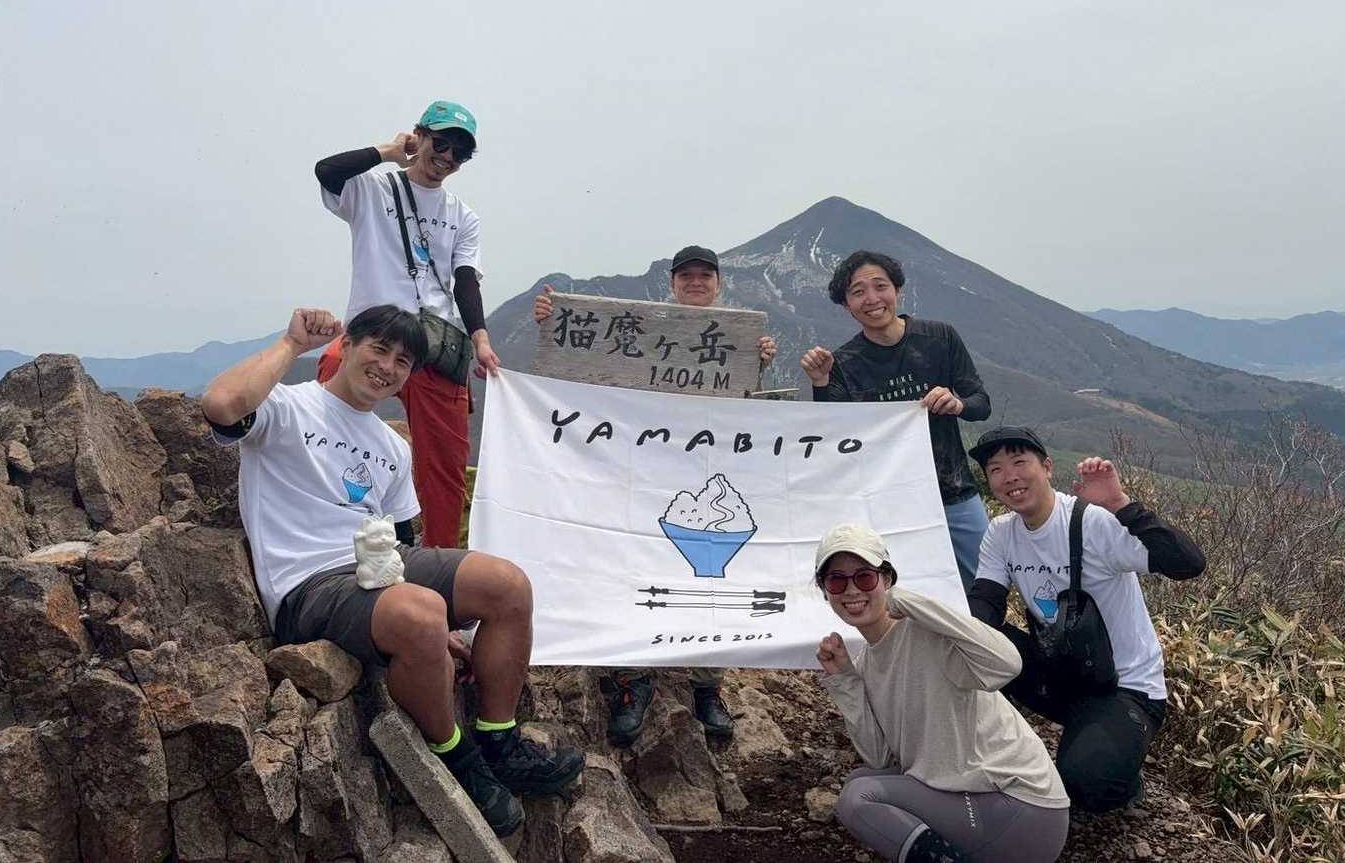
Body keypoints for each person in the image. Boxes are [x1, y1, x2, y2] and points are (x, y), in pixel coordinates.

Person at [200, 305, 583, 837]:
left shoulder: (391, 447)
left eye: (403, 361)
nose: (387, 367)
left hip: (378, 568)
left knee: (507, 585)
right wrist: (292, 344)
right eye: (378, 349)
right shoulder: (285, 408)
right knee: (421, 613)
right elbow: (221, 404)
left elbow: (401, 540)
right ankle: (456, 756)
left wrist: (432, 624)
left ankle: (500, 739)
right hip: (307, 584)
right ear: (347, 347)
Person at [532, 244, 777, 745]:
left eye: (704, 275)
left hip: (707, 475)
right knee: (635, 567)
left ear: (719, 284)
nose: (695, 282)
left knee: (710, 578)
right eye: (686, 276)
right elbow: (585, 376)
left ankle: (707, 685)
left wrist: (760, 363)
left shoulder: (738, 338)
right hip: (639, 472)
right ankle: (633, 679)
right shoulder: (642, 332)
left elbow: (746, 404)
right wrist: (552, 325)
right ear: (671, 284)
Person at [966, 426, 1206, 812]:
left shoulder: (1091, 523)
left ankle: (1115, 760)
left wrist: (1121, 505)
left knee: (1087, 785)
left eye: (1019, 462)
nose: (1009, 476)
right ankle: (988, 746)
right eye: (995, 469)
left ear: (1047, 467)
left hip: (1124, 687)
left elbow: (1188, 564)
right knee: (975, 641)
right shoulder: (1002, 532)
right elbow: (985, 603)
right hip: (1064, 672)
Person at [814, 523, 1069, 863]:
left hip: (1023, 810)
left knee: (859, 798)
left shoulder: (929, 634)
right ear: (825, 591)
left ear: (887, 580)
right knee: (863, 778)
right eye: (836, 580)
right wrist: (846, 680)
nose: (851, 590)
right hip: (979, 803)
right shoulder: (867, 663)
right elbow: (879, 759)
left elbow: (1007, 664)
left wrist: (909, 601)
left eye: (864, 577)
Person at [314, 100, 498, 548]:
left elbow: (465, 280)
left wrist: (480, 339)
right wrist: (388, 152)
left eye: (461, 153)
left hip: (433, 344)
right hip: (371, 334)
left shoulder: (463, 216)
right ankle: (327, 533)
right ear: (420, 135)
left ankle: (440, 561)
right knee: (326, 412)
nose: (448, 157)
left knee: (445, 465)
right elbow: (326, 170)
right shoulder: (372, 189)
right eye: (442, 143)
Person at [800, 250, 991, 589]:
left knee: (984, 585)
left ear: (897, 290)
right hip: (887, 502)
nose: (872, 299)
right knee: (904, 593)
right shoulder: (844, 362)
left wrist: (957, 403)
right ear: (846, 305)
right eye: (858, 292)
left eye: (880, 286)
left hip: (954, 492)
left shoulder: (940, 338)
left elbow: (981, 404)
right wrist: (821, 382)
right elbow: (835, 433)